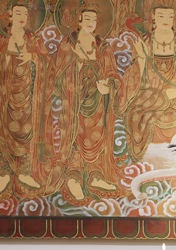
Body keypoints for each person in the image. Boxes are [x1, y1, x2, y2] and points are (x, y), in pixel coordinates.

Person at [116, 0, 176, 163]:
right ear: (153, 17)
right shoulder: (145, 41)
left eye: (170, 16)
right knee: (137, 113)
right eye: (161, 15)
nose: (165, 20)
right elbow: (135, 76)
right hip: (150, 91)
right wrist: (141, 57)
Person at [51, 0, 122, 204]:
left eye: (94, 19)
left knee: (98, 135)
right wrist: (77, 63)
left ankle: (95, 175)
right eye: (87, 18)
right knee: (75, 135)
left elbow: (112, 72)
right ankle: (73, 176)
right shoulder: (69, 43)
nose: (91, 22)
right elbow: (58, 74)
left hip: (98, 100)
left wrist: (108, 85)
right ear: (79, 20)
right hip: (74, 99)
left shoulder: (102, 45)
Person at [0, 0, 51, 200]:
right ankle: (4, 174)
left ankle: (24, 172)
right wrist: (4, 60)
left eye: (25, 14)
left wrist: (33, 58)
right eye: (18, 13)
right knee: (2, 133)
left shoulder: (33, 40)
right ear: (10, 16)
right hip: (3, 96)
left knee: (26, 132)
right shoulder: (0, 39)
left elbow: (48, 64)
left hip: (27, 96)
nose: (22, 17)